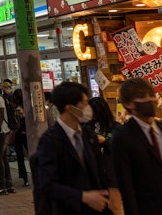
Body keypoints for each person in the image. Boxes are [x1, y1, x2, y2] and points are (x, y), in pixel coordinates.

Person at [110, 77, 162, 215]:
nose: (150, 100)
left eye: (151, 94)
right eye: (142, 96)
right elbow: (127, 186)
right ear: (129, 104)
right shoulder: (122, 137)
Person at [32, 81, 113, 214]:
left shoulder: (89, 135)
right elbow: (48, 185)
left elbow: (98, 176)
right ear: (70, 108)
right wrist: (83, 197)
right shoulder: (50, 140)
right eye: (85, 103)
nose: (88, 108)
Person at [11, 88, 30, 187]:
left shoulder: (16, 108)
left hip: (19, 133)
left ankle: (25, 178)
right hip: (27, 133)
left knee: (20, 156)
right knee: (30, 154)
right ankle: (30, 176)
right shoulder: (28, 106)